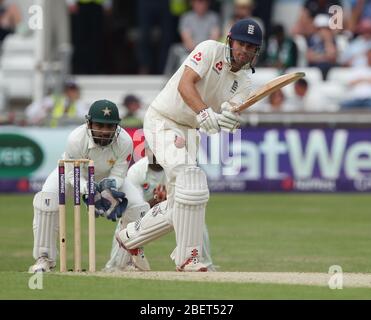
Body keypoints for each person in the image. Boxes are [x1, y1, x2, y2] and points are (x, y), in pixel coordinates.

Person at [116, 18, 262, 272]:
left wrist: (227, 120)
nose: (244, 50)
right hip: (164, 120)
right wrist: (205, 113)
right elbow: (186, 84)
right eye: (241, 43)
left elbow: (230, 113)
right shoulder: (208, 49)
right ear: (230, 40)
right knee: (190, 178)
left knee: (184, 200)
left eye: (251, 47)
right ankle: (188, 259)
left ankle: (129, 237)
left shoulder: (246, 83)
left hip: (190, 131)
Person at [28, 99, 150, 273]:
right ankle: (44, 258)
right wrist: (88, 191)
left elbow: (118, 174)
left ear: (117, 126)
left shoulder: (125, 141)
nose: (104, 131)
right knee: (46, 200)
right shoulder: (76, 139)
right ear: (89, 123)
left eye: (110, 126)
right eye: (100, 125)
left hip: (107, 176)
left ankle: (123, 263)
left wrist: (107, 193)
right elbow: (71, 175)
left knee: (139, 208)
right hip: (75, 173)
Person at [104, 144, 216, 272]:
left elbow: (187, 199)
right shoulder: (136, 171)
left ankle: (204, 264)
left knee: (195, 219)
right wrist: (156, 200)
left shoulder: (177, 169)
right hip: (145, 213)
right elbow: (136, 207)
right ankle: (117, 265)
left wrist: (169, 201)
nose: (157, 156)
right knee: (126, 221)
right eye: (154, 151)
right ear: (146, 151)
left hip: (173, 209)